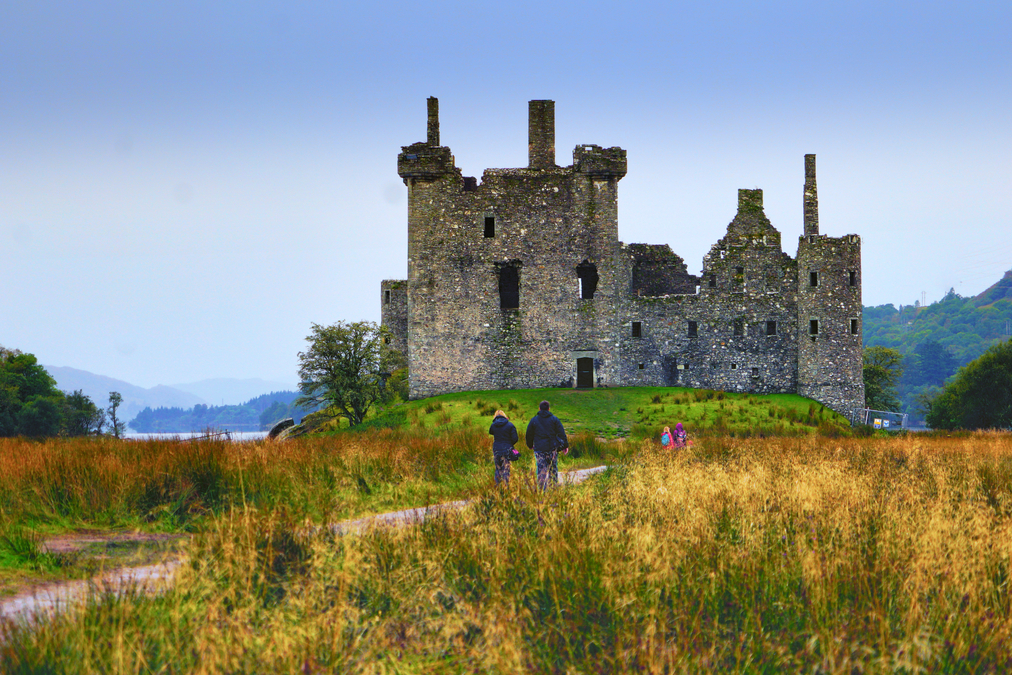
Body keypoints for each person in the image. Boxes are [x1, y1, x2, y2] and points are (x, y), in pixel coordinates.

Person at [526, 400, 568, 489]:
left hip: (540, 449)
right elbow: (561, 433)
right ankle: (553, 489)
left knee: (541, 470)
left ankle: (541, 491)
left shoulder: (534, 420)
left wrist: (530, 445)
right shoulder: (554, 419)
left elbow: (529, 434)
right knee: (553, 469)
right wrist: (565, 445)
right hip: (552, 448)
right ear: (549, 409)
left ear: (539, 409)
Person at [489, 410, 519, 486]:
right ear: (504, 415)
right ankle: (506, 487)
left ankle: (498, 488)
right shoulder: (510, 425)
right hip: (507, 449)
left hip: (496, 449)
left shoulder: (493, 425)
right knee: (506, 469)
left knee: (498, 469)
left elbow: (491, 431)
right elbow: (515, 438)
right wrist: (509, 444)